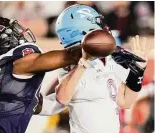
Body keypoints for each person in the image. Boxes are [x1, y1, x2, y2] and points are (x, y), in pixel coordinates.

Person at [35, 4, 150, 133]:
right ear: (85, 31)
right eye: (97, 25)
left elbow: (125, 101)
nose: (104, 29)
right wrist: (83, 64)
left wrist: (138, 71)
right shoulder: (72, 67)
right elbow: (62, 98)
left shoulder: (107, 63)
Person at [0, 16, 81, 133]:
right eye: (13, 31)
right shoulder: (19, 63)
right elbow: (70, 56)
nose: (20, 33)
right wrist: (92, 44)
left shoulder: (3, 69)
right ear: (3, 41)